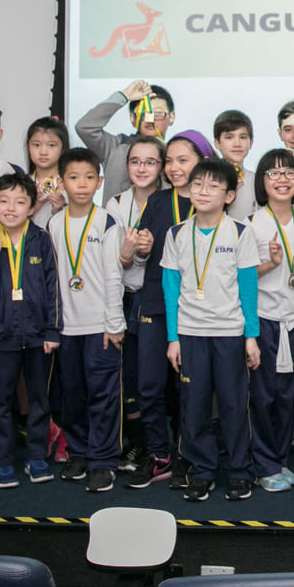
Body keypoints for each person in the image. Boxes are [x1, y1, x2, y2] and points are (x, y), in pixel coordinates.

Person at [162, 157, 263, 502]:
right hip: (190, 334)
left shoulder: (239, 232)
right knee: (195, 405)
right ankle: (202, 469)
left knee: (235, 404)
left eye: (213, 186)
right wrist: (173, 338)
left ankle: (238, 470)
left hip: (230, 333)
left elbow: (248, 287)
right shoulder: (175, 233)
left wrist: (251, 336)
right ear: (188, 190)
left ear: (230, 195)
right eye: (198, 185)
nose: (204, 191)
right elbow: (170, 289)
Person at [124, 133, 204, 490]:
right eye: (169, 161)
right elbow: (143, 256)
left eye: (182, 160)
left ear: (201, 161)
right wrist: (141, 248)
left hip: (195, 308)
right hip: (154, 303)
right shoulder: (157, 201)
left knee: (190, 387)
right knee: (149, 384)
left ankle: (189, 455)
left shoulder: (207, 201)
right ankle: (159, 455)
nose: (174, 168)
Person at [0, 172, 61, 489]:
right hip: (4, 335)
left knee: (40, 399)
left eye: (19, 202)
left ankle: (36, 457)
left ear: (31, 207)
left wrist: (53, 331)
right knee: (0, 400)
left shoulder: (41, 237)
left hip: (39, 333)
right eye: (3, 201)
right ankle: (1, 462)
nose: (10, 208)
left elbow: (53, 286)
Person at [53, 148, 127, 492]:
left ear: (99, 182)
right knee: (73, 394)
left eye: (88, 178)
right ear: (62, 181)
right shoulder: (54, 223)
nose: (81, 185)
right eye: (73, 177)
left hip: (101, 327)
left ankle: (104, 460)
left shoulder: (107, 222)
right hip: (67, 327)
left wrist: (114, 324)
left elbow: (114, 276)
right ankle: (79, 452)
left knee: (104, 395)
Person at [247, 148, 294, 492]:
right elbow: (242, 279)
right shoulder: (251, 223)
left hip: (293, 319)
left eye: (289, 172)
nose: (282, 179)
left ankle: (278, 461)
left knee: (286, 394)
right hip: (263, 320)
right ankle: (263, 466)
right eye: (273, 173)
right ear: (262, 182)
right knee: (263, 395)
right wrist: (271, 264)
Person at [106, 134, 166, 469]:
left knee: (161, 377)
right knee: (133, 375)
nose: (141, 168)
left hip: (161, 298)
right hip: (127, 298)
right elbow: (114, 261)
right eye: (135, 161)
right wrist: (128, 255)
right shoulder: (116, 204)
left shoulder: (170, 201)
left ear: (162, 167)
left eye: (150, 162)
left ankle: (165, 443)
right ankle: (138, 442)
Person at [75, 80, 175, 202]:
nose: (150, 119)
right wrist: (124, 96)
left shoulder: (174, 155)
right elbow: (85, 127)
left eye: (157, 113)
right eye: (142, 113)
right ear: (132, 119)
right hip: (116, 219)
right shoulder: (114, 147)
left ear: (171, 117)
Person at [24, 115, 70, 228]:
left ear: (62, 148)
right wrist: (29, 211)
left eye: (51, 145)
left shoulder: (72, 185)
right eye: (36, 145)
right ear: (28, 146)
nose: (43, 152)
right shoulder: (21, 184)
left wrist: (62, 209)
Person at [213, 109, 258, 221]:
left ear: (251, 142)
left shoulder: (257, 180)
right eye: (229, 137)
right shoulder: (208, 178)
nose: (237, 144)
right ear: (217, 143)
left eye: (243, 137)